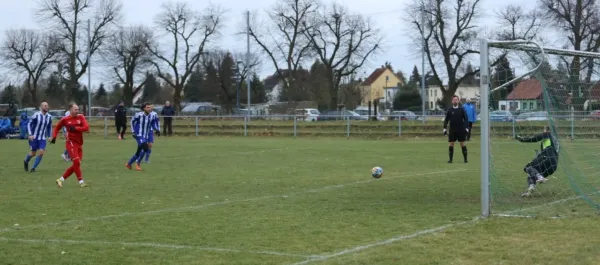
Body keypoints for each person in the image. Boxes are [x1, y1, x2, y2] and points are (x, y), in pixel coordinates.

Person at [50, 103, 90, 188]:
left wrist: (76, 128)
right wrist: (54, 137)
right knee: (76, 161)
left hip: (79, 143)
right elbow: (57, 128)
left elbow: (86, 128)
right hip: (71, 143)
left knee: (77, 164)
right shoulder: (65, 119)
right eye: (76, 109)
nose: (77, 111)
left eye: (78, 109)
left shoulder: (81, 117)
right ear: (71, 110)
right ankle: (81, 181)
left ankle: (61, 179)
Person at [517, 126, 559, 197]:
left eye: (544, 130)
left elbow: (535, 138)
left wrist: (521, 139)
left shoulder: (548, 134)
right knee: (532, 173)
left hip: (547, 158)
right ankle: (530, 188)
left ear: (546, 130)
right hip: (553, 166)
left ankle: (540, 177)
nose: (543, 131)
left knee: (528, 167)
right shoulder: (556, 140)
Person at [126, 103, 160, 171]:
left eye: (150, 107)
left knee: (139, 151)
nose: (149, 109)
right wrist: (133, 131)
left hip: (146, 135)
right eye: (147, 107)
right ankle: (138, 163)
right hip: (138, 135)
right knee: (145, 147)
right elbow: (132, 122)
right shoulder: (138, 115)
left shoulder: (152, 116)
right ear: (144, 108)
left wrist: (157, 130)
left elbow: (153, 124)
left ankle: (129, 164)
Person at [24, 102, 52, 172]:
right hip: (34, 138)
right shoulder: (36, 115)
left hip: (42, 138)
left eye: (47, 106)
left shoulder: (49, 117)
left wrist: (49, 136)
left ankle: (33, 168)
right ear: (41, 107)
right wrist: (30, 134)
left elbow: (49, 127)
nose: (46, 107)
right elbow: (29, 124)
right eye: (45, 106)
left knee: (41, 152)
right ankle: (25, 161)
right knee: (33, 153)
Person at [443, 95, 469, 163]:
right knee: (451, 144)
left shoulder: (461, 110)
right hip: (452, 130)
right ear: (452, 101)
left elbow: (466, 118)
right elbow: (446, 120)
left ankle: (465, 160)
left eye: (456, 99)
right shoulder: (449, 110)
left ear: (458, 101)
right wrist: (444, 128)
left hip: (461, 129)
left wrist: (466, 128)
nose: (455, 101)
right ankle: (450, 160)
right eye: (454, 99)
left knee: (462, 144)